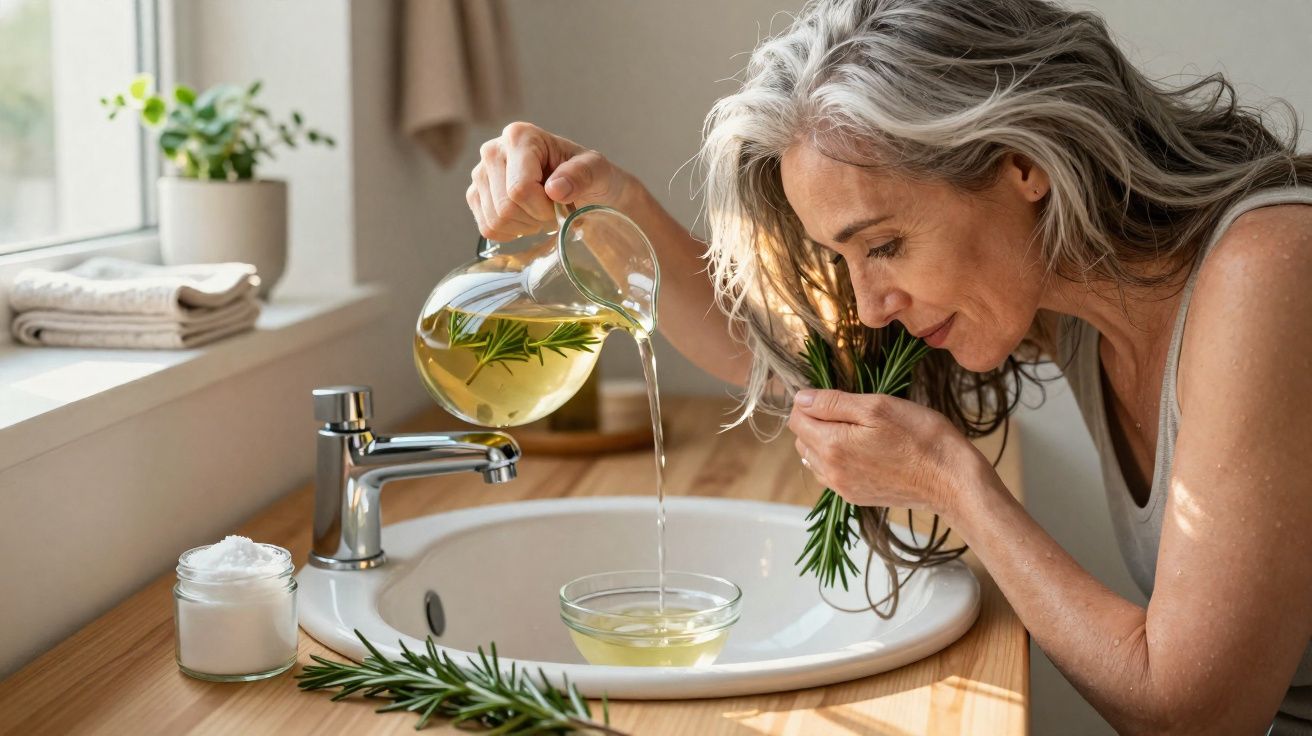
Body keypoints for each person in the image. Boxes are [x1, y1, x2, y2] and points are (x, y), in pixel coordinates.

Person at [465, 0, 1312, 732]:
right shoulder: (1073, 293)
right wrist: (611, 205)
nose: (869, 305)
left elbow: (1196, 714)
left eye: (886, 245)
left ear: (1024, 163)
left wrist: (952, 480)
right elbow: (797, 356)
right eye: (846, 259)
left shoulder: (1267, 270)